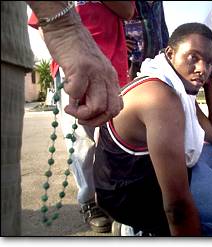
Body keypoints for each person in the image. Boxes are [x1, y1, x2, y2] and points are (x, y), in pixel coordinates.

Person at [93, 23, 212, 236]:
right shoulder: (161, 97)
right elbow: (177, 207)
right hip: (128, 194)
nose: (202, 68)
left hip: (144, 174)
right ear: (170, 53)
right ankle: (144, 228)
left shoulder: (177, 85)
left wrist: (209, 85)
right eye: (193, 57)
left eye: (210, 63)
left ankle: (146, 225)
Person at [1, 1, 124, 236]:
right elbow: (41, 21)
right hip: (71, 67)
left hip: (112, 66)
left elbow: (128, 10)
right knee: (80, 141)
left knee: (115, 139)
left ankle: (112, 198)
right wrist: (66, 43)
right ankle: (89, 199)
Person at [125, 0, 169, 81]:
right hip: (132, 59)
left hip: (155, 60)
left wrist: (166, 49)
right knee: (131, 89)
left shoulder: (158, 3)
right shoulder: (130, 3)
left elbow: (162, 25)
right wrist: (120, 42)